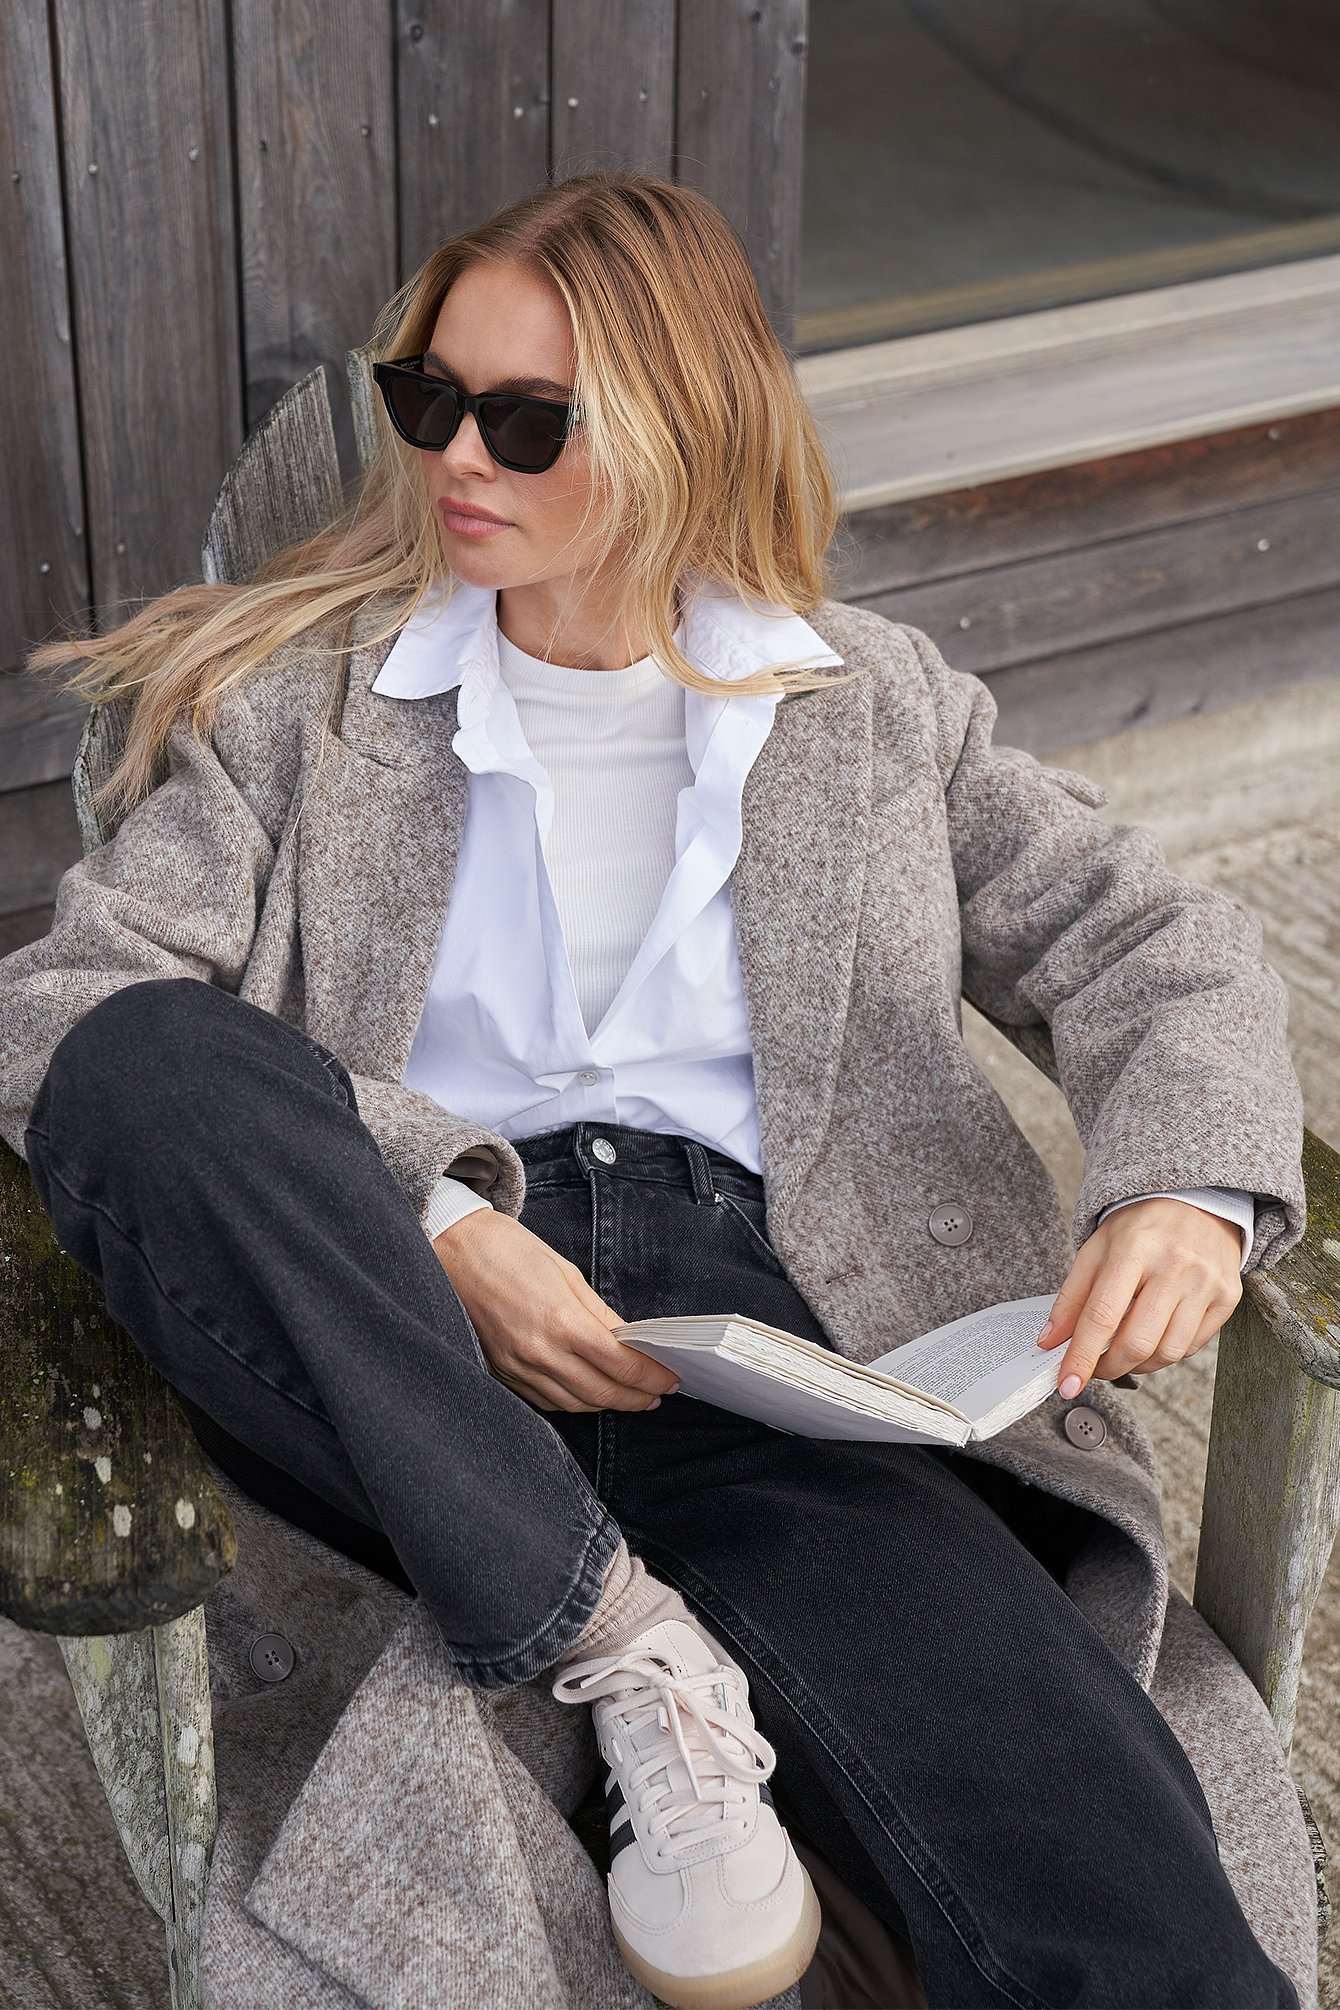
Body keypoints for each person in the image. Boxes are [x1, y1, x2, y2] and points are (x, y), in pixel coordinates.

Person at [0, 172, 1306, 2010]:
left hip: (778, 1363)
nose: (458, 456)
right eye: (426, 399)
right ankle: (623, 1637)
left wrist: (1186, 1191)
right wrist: (436, 1219)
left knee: (1122, 1911)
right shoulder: (301, 712)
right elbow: (64, 1015)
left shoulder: (873, 706)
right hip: (390, 1343)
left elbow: (1155, 940)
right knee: (150, 1059)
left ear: (684, 424)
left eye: (528, 421)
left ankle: (661, 1656)